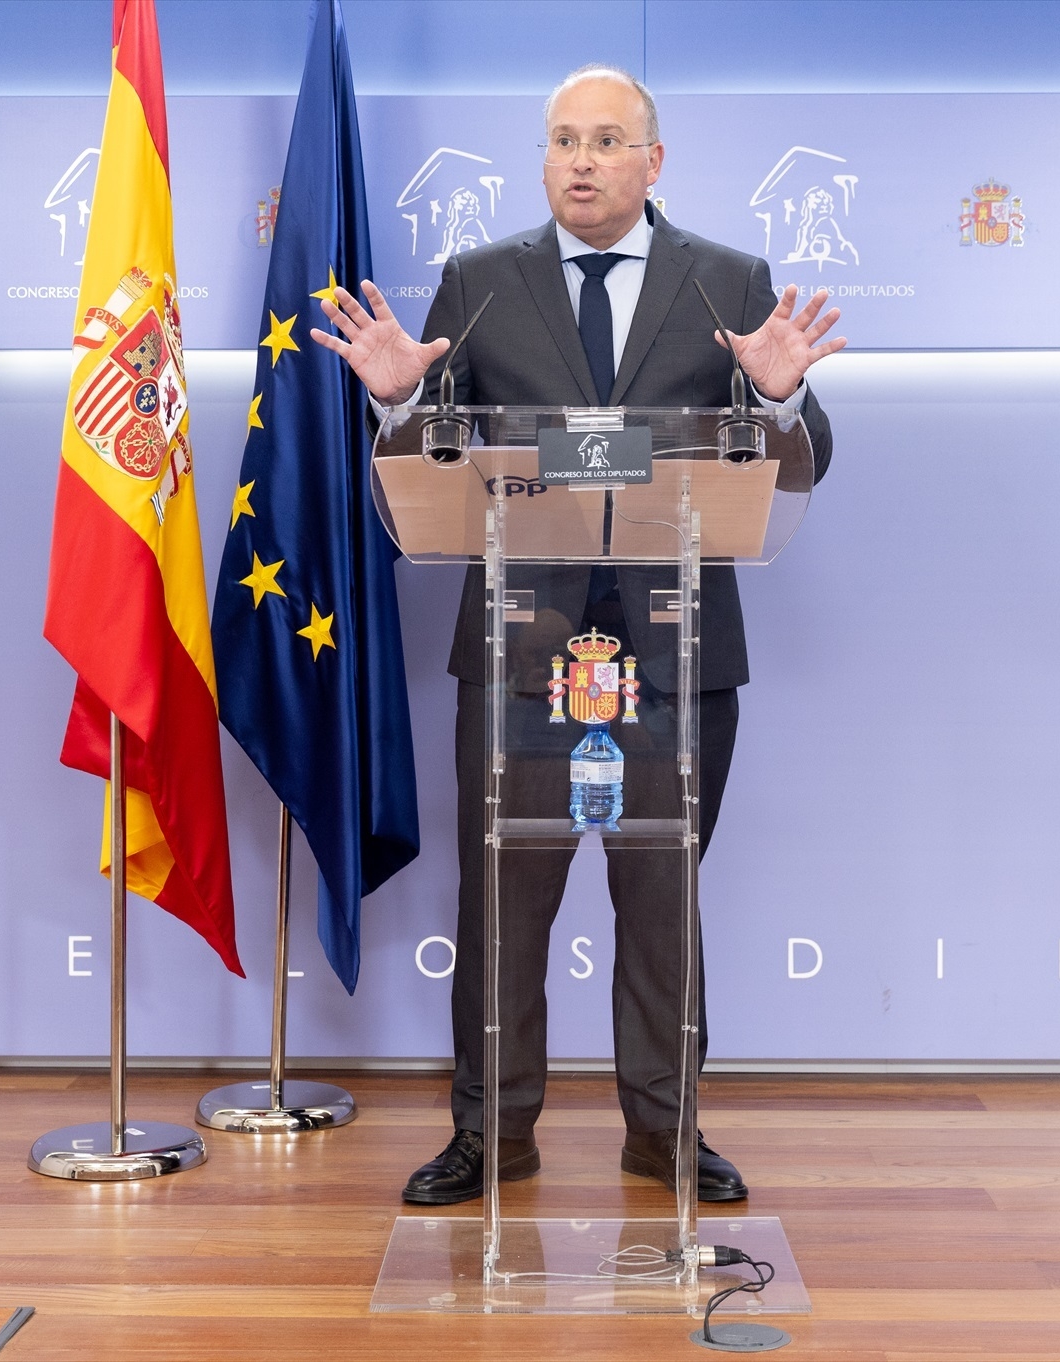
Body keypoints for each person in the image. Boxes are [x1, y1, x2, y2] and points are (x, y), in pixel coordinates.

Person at [309, 64, 845, 1206]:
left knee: (663, 902)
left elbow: (799, 460)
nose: (583, 160)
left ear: (655, 161)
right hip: (516, 648)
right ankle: (490, 1136)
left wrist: (782, 400)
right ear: (543, 160)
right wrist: (403, 407)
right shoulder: (482, 284)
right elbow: (425, 474)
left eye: (608, 140)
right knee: (502, 904)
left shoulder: (730, 280)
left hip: (677, 652)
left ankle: (668, 1131)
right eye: (563, 141)